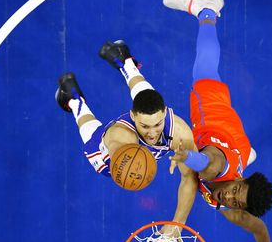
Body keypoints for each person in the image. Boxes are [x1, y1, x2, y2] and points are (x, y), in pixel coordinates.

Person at [160, 0, 272, 242]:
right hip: (214, 119)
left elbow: (259, 229)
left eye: (235, 201)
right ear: (240, 179)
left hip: (239, 146)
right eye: (236, 190)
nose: (228, 196)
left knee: (241, 153)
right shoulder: (216, 168)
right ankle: (207, 11)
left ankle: (247, 154)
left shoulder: (234, 211)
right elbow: (206, 163)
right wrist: (186, 156)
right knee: (204, 71)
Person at [55, 41, 198, 219]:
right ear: (133, 116)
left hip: (147, 126)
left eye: (157, 124)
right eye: (145, 126)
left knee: (146, 97)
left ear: (165, 113)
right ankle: (74, 100)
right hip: (109, 153)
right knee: (92, 134)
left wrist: (179, 222)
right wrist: (127, 167)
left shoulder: (179, 132)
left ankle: (125, 62)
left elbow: (190, 177)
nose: (153, 133)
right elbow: (119, 156)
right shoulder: (120, 137)